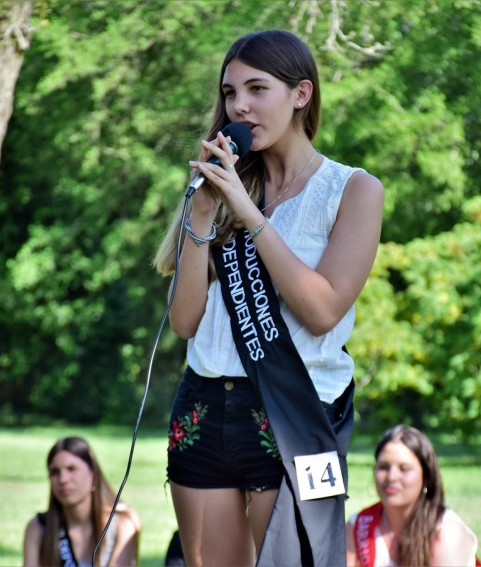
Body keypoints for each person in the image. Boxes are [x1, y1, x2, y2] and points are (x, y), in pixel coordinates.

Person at [153, 29, 384, 567]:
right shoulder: (223, 186)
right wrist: (204, 214)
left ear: (300, 94)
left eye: (257, 89)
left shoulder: (353, 189)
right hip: (204, 407)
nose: (240, 106)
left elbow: (323, 310)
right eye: (231, 93)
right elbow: (185, 321)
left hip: (294, 412)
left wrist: (251, 215)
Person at [346, 424, 479, 567]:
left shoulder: (446, 532)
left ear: (426, 477)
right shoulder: (358, 524)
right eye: (384, 467)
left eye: (404, 469)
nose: (392, 477)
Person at [22, 436, 141, 567]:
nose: (63, 479)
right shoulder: (39, 528)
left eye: (72, 469)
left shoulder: (122, 523)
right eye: (55, 472)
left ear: (93, 474)